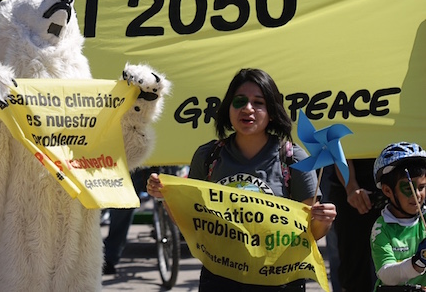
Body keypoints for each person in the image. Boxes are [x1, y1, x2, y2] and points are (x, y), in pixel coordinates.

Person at [147, 68, 336, 292]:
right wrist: (166, 195)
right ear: (228, 108)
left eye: (259, 102)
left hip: (280, 281)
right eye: (240, 101)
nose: (248, 109)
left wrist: (323, 220)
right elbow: (190, 220)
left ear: (272, 111)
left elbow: (312, 233)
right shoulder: (207, 157)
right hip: (220, 280)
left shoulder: (293, 158)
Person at [370, 142, 426, 290]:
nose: (418, 195)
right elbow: (386, 275)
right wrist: (418, 262)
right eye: (409, 188)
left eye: (422, 187)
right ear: (387, 191)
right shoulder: (381, 228)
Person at [329, 158, 381, 292]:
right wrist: (351, 186)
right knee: (354, 270)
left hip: (399, 185)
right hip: (352, 192)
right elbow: (342, 145)